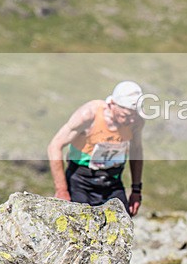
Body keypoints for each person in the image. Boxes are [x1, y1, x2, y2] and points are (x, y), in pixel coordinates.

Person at [48, 81, 145, 216]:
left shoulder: (136, 121)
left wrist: (136, 190)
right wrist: (61, 190)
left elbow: (136, 151)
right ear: (112, 104)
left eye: (134, 115)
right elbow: (55, 146)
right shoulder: (88, 115)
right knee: (79, 227)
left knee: (122, 226)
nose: (131, 121)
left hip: (112, 182)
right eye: (125, 116)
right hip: (81, 181)